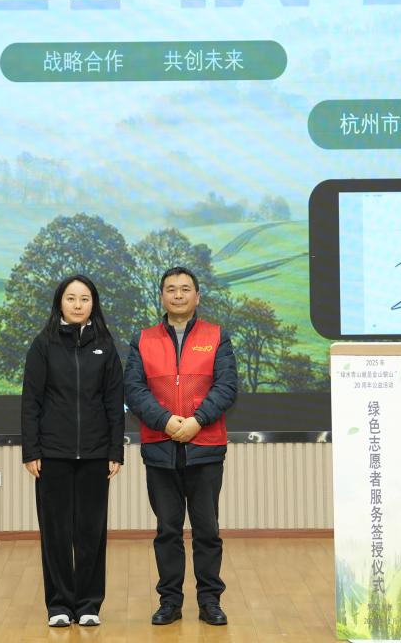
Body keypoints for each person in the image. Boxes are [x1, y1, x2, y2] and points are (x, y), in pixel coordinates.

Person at [124, 266, 239, 626]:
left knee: (207, 531)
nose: (178, 295)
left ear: (197, 296)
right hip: (161, 448)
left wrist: (197, 421)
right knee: (167, 531)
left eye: (185, 289)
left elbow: (226, 386)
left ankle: (210, 602)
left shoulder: (217, 336)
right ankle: (170, 603)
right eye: (171, 289)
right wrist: (166, 421)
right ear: (161, 296)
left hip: (205, 447)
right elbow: (134, 389)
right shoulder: (142, 339)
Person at [21, 275, 125, 628]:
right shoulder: (43, 344)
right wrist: (31, 450)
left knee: (92, 532)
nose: (78, 305)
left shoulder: (105, 345)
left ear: (93, 304)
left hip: (96, 454)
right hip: (52, 454)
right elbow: (31, 401)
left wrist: (115, 450)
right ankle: (59, 605)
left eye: (84, 298)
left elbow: (114, 402)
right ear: (60, 303)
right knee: (56, 533)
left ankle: (89, 604)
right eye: (71, 298)